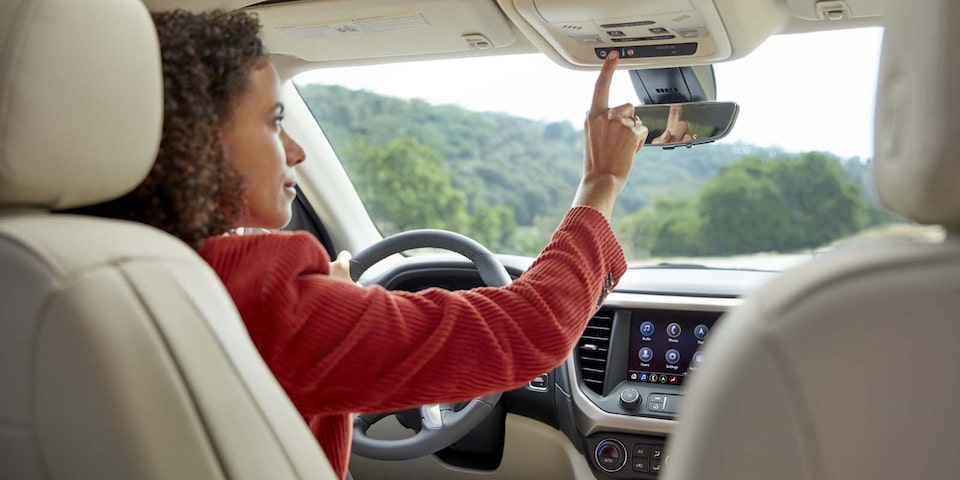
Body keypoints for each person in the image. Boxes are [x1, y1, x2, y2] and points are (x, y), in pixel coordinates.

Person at [74, 10, 648, 479]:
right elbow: (532, 329)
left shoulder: (73, 271)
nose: (295, 150)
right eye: (275, 120)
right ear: (198, 143)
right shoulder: (262, 296)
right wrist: (601, 183)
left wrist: (334, 305)